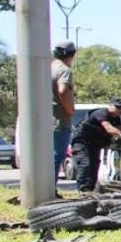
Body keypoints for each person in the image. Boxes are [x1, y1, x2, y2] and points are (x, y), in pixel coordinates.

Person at [72, 98, 121, 193]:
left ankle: (89, 190)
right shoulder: (101, 113)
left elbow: (119, 129)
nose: (120, 110)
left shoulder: (116, 118)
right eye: (118, 107)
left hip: (94, 144)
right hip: (81, 143)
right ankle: (82, 190)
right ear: (110, 105)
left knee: (94, 166)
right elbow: (110, 129)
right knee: (85, 164)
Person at [52, 40, 77, 178]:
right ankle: (49, 190)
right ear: (71, 55)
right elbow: (62, 90)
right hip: (59, 120)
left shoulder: (48, 68)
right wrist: (69, 110)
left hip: (45, 120)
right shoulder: (64, 70)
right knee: (57, 156)